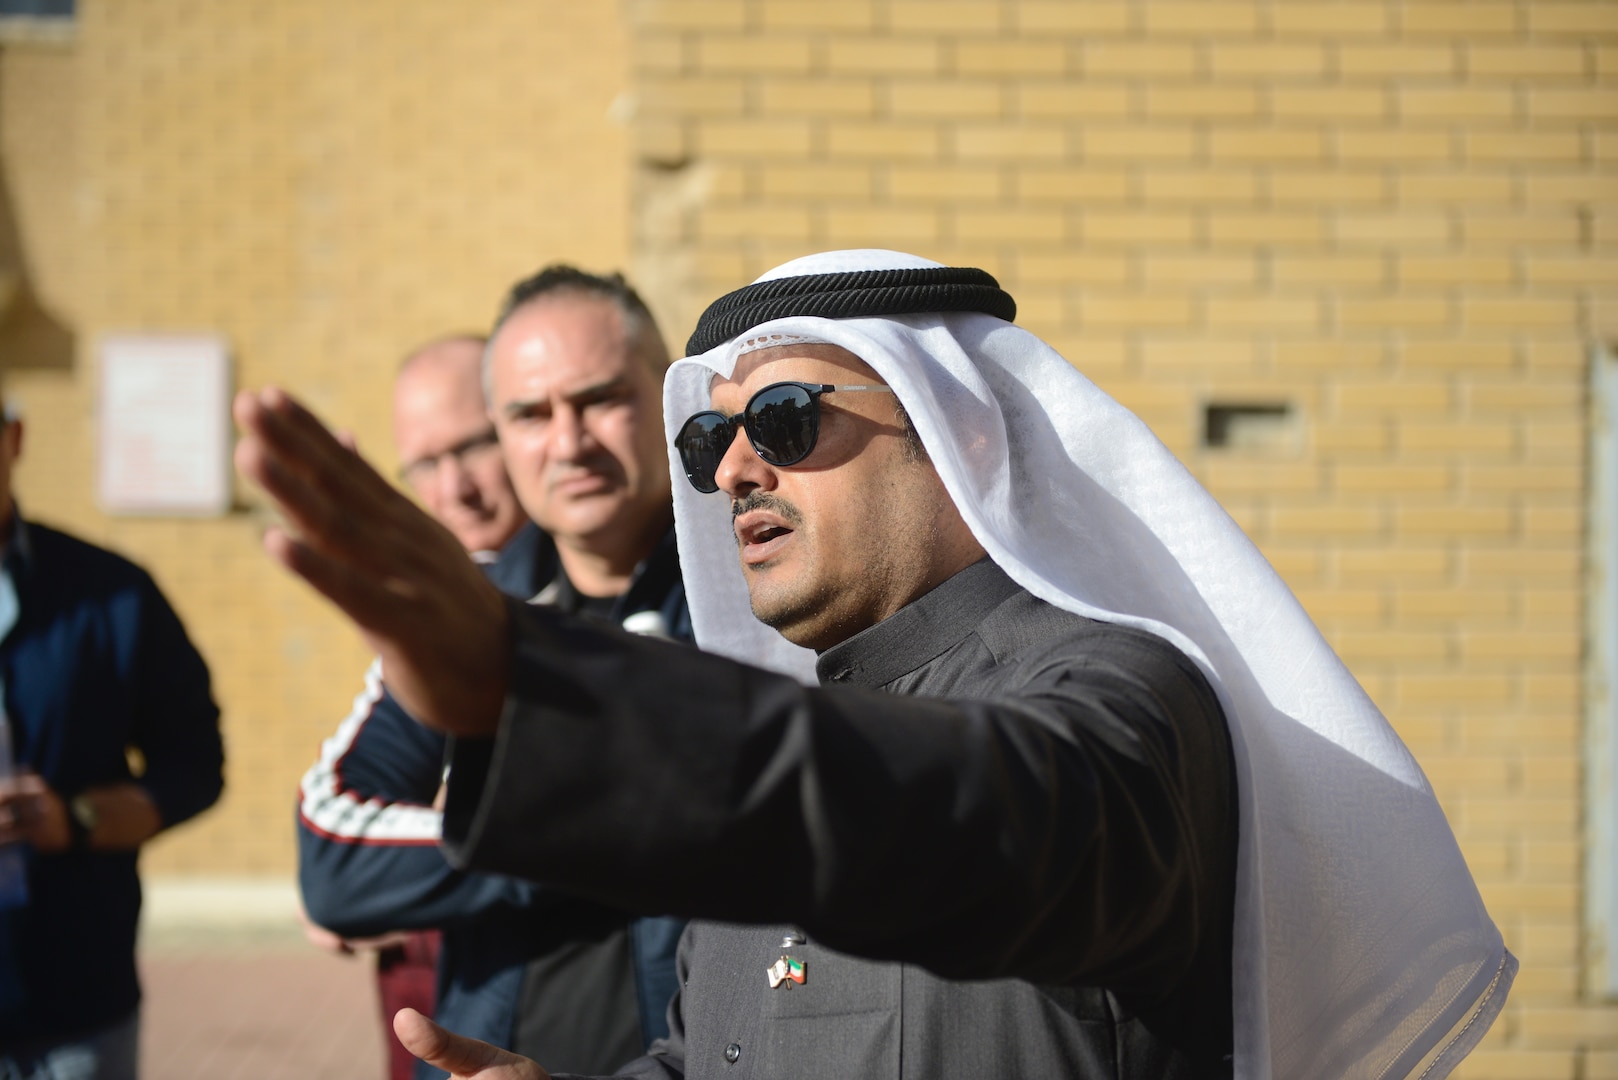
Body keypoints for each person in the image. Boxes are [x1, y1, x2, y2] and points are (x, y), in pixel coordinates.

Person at [236, 250, 1514, 1080]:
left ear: (959, 436)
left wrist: (537, 690)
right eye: (713, 441)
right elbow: (711, 1056)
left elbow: (965, 813)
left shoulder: (1124, 704)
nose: (736, 469)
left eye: (787, 422)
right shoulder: (790, 734)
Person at [295, 270, 687, 1080]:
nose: (568, 441)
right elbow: (333, 864)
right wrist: (608, 831)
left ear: (668, 392)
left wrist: (489, 812)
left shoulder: (756, 589)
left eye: (600, 399)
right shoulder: (468, 616)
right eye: (530, 415)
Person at [298, 334, 534, 1080]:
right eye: (425, 465)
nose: (453, 488)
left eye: (472, 447)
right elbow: (338, 856)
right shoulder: (443, 610)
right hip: (448, 1018)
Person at [0, 387, 224, 1078]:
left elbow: (195, 763)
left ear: (13, 439)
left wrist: (81, 817)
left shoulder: (114, 595)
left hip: (74, 1002)